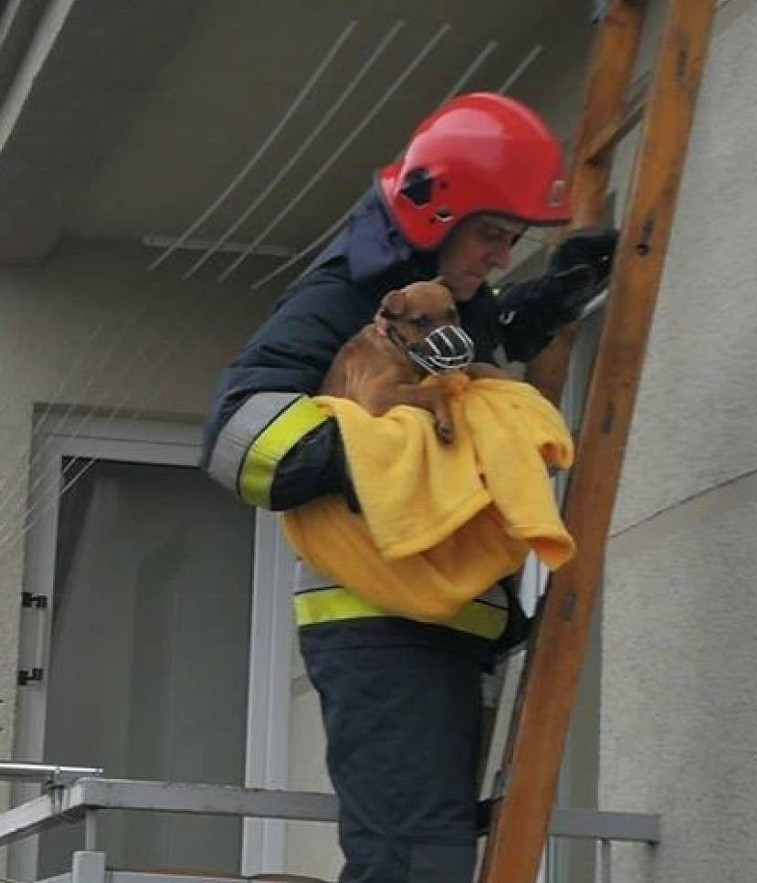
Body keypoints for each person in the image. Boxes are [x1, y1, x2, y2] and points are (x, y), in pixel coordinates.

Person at [202, 92, 616, 883]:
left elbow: (461, 362)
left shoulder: (443, 299)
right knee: (412, 865)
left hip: (444, 625)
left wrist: (553, 298)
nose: (501, 257)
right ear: (437, 211)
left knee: (430, 856)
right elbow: (236, 440)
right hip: (381, 630)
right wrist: (390, 454)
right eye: (495, 235)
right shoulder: (343, 298)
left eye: (514, 241)